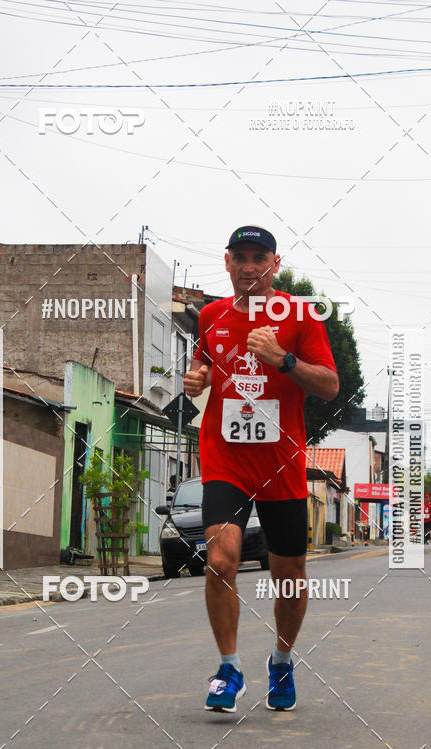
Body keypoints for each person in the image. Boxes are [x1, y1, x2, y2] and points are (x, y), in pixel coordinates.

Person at [183, 225, 339, 713]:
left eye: (259, 258)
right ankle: (228, 669)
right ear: (227, 262)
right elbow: (206, 363)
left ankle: (281, 661)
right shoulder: (211, 315)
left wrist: (283, 359)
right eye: (241, 257)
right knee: (220, 560)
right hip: (225, 458)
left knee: (288, 575)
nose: (249, 266)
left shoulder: (300, 314)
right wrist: (197, 377)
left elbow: (330, 384)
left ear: (275, 264)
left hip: (280, 464)